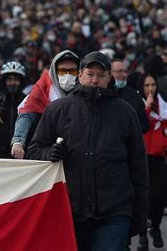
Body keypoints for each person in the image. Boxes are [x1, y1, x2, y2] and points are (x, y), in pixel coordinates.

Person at [27, 51, 149, 251]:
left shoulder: (125, 112)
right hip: (71, 209)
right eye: (90, 74)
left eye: (101, 76)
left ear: (109, 77)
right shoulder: (58, 109)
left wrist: (140, 215)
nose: (95, 80)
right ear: (80, 74)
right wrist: (50, 153)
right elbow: (34, 150)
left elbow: (139, 167)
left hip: (115, 210)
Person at [11, 50, 80, 159]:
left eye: (72, 71)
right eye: (62, 71)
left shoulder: (84, 90)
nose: (67, 75)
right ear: (54, 71)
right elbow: (27, 114)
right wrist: (18, 142)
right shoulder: (42, 88)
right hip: (47, 152)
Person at [136, 73, 166, 250]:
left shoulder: (163, 104)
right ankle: (142, 234)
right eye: (147, 85)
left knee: (159, 195)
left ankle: (154, 226)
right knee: (143, 196)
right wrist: (146, 108)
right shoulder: (138, 103)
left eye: (153, 84)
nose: (150, 88)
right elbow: (139, 126)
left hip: (159, 156)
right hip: (142, 155)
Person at [111, 59, 150, 134]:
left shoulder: (134, 95)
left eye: (125, 71)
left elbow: (144, 124)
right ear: (110, 73)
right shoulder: (102, 93)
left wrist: (129, 129)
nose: (124, 75)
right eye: (120, 71)